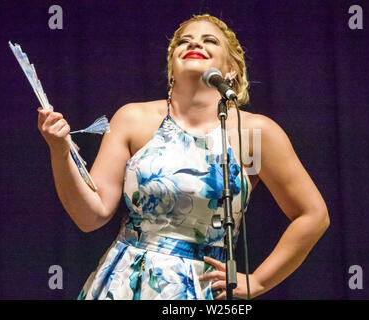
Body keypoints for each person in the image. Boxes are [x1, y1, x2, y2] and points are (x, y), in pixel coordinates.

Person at [37, 14, 329, 300]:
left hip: (202, 288)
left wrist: (259, 281)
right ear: (171, 68)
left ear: (231, 71)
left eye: (209, 40)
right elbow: (91, 215)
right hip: (127, 283)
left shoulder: (252, 134)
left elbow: (313, 215)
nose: (195, 44)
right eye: (184, 41)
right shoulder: (133, 119)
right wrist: (59, 151)